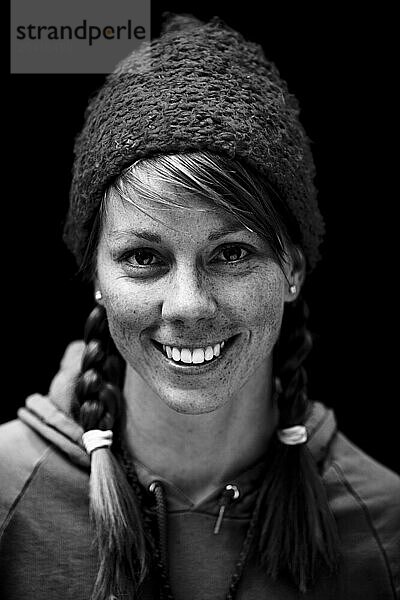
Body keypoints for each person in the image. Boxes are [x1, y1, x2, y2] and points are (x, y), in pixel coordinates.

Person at [1, 12, 399, 600]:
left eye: (232, 253)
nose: (187, 306)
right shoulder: (8, 498)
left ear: (292, 269)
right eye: (143, 256)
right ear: (96, 276)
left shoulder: (383, 527)